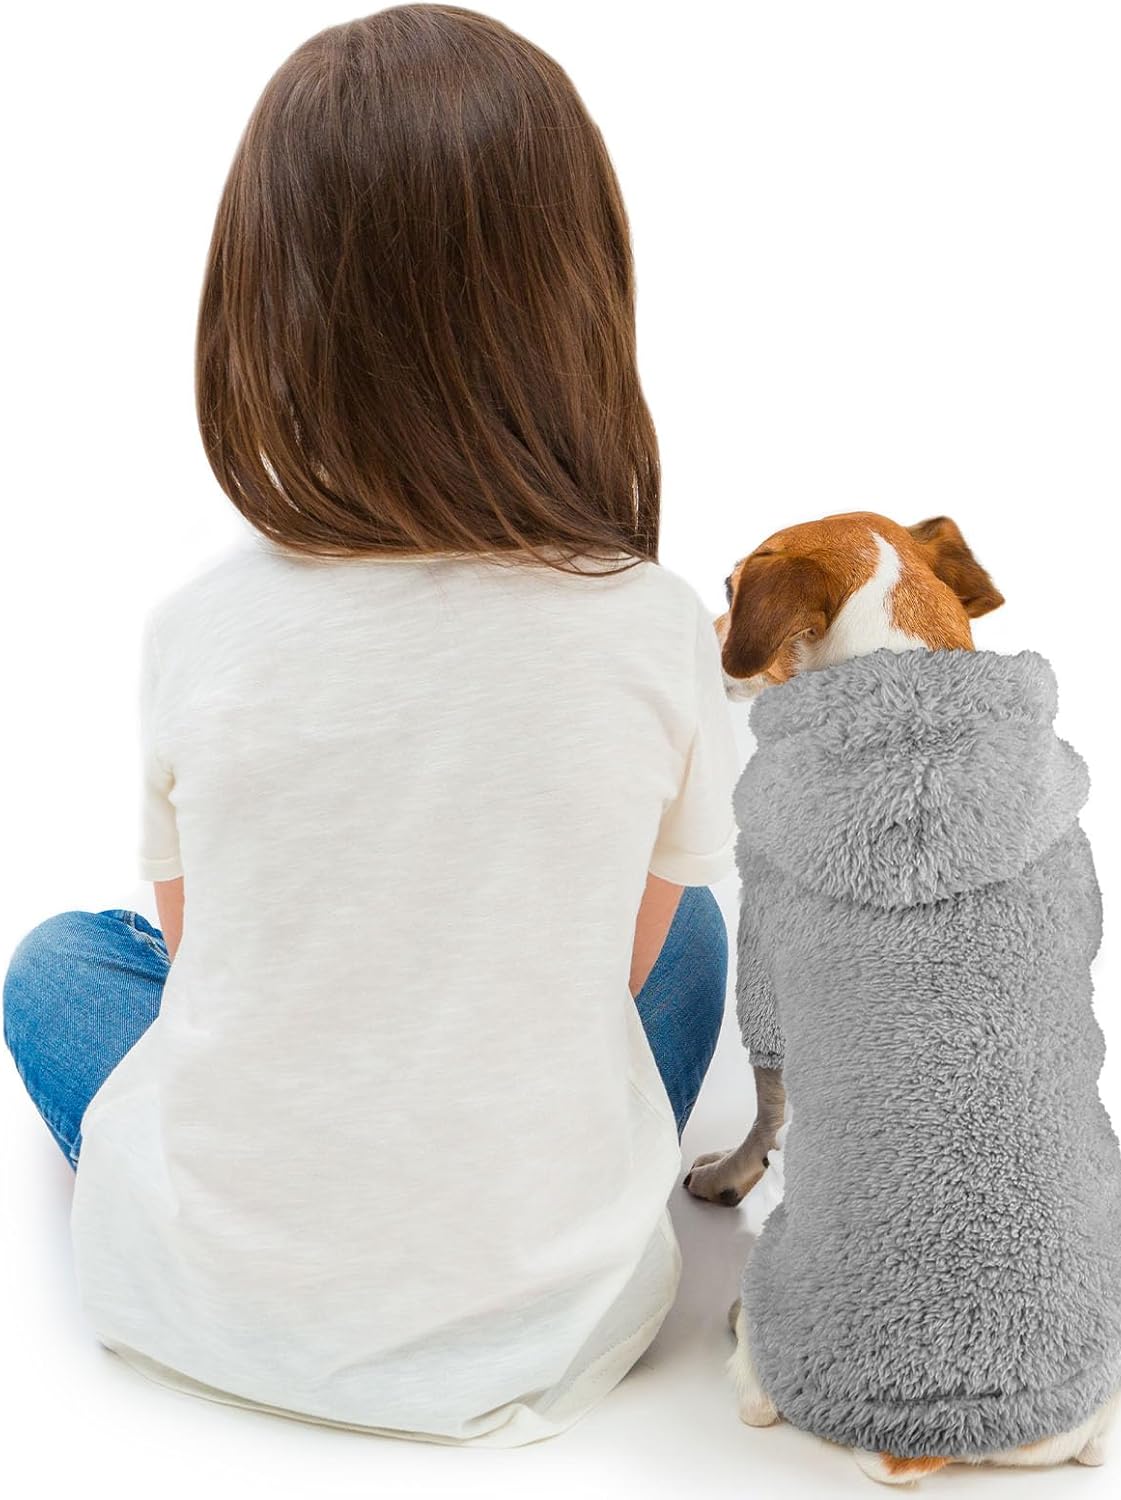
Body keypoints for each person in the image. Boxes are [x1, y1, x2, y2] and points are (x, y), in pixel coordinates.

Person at [2, 4, 739, 1447]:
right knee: (693, 929)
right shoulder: (652, 626)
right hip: (556, 1321)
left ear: (264, 312)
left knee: (61, 966)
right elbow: (615, 971)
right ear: (578, 298)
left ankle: (269, 1229)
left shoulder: (199, 626)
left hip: (209, 1302)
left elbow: (207, 966)